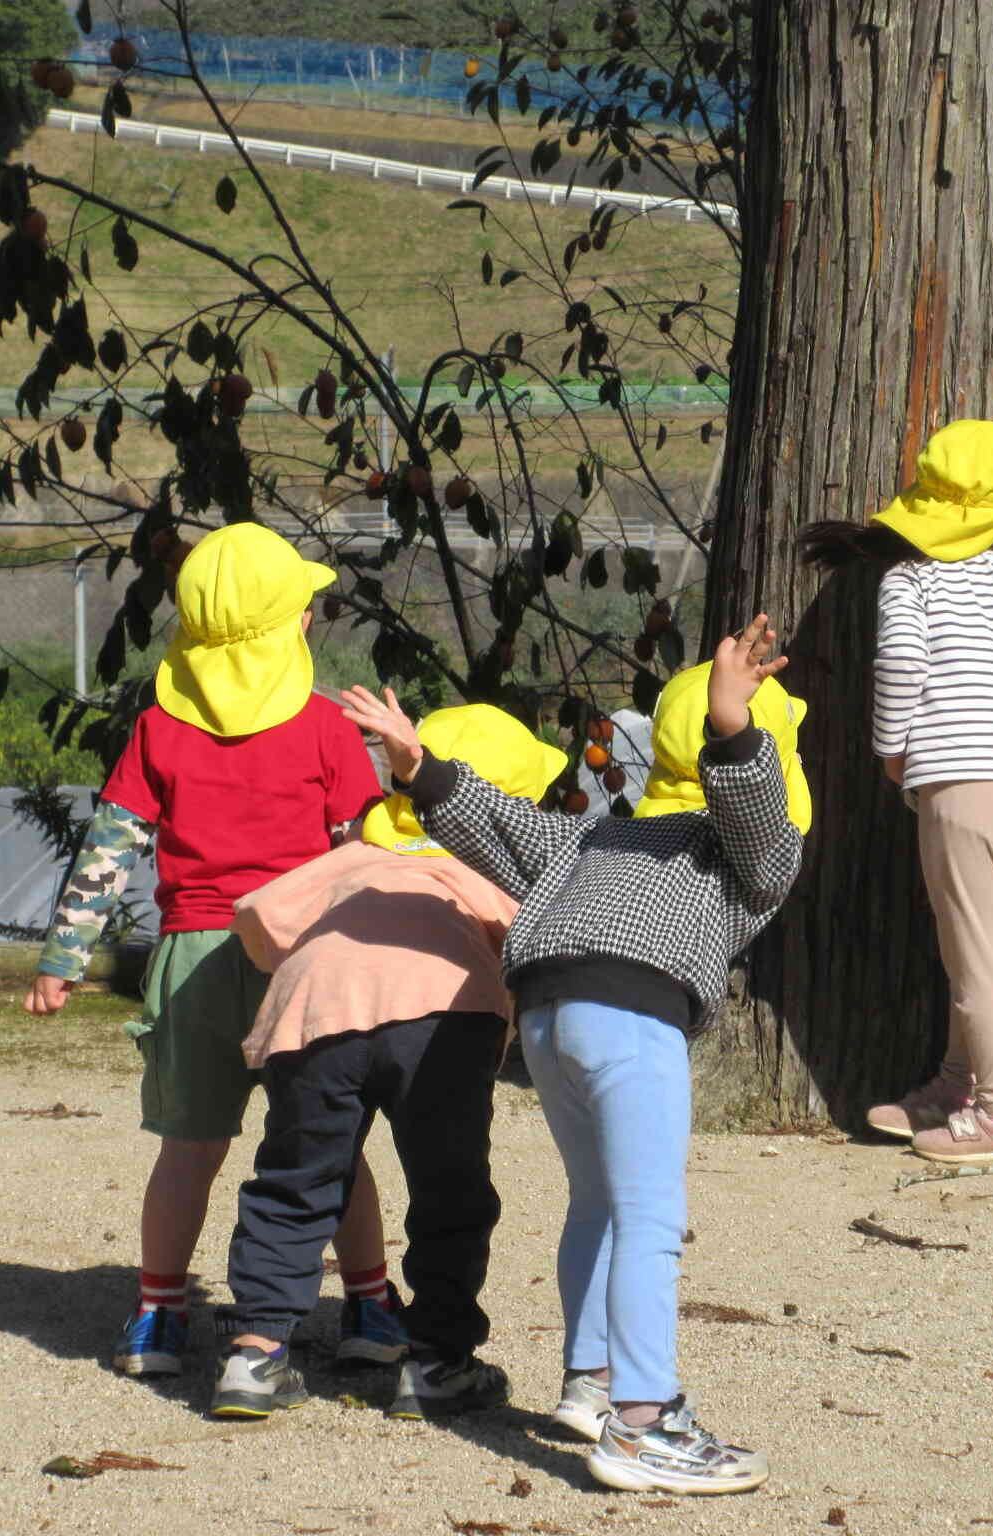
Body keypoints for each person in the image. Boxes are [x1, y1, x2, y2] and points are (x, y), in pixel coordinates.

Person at [339, 614, 808, 1497]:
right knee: (650, 1218)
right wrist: (736, 724)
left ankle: (589, 1385)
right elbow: (752, 810)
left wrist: (418, 765)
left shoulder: (597, 835)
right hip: (631, 1009)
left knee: (596, 1201)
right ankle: (645, 1423)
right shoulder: (757, 851)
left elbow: (498, 826)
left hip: (548, 1011)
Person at [24, 523, 394, 1378]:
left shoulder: (159, 730)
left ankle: (157, 1315)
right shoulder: (330, 730)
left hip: (192, 958)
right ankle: (371, 1306)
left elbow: (109, 849)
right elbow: (361, 853)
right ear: (294, 627)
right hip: (303, 959)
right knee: (328, 1145)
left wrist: (62, 959)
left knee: (187, 1147)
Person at [208, 704, 567, 1421]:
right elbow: (529, 954)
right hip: (443, 1020)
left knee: (297, 1178)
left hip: (316, 1013)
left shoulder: (352, 861)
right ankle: (436, 1362)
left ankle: (254, 1354)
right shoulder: (488, 876)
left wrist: (306, 966)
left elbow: (258, 913)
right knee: (448, 1191)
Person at [799, 418, 993, 1166]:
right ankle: (959, 1087)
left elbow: (899, 677)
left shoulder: (911, 581)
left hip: (963, 788)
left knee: (977, 967)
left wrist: (894, 758)